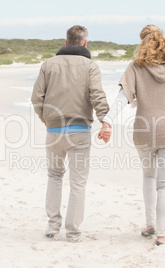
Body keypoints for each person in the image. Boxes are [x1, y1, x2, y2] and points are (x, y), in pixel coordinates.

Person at [99, 24, 165, 246]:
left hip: (143, 131)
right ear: (163, 40)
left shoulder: (134, 67)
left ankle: (150, 224)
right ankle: (162, 235)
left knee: (148, 177)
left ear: (141, 42)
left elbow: (122, 98)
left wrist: (107, 121)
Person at [31, 25, 110, 243]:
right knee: (78, 183)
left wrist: (46, 119)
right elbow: (97, 95)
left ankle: (53, 225)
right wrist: (105, 121)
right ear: (85, 43)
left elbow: (37, 98)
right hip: (80, 131)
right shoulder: (90, 66)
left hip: (53, 130)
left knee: (54, 176)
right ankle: (73, 232)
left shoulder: (48, 64)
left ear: (66, 43)